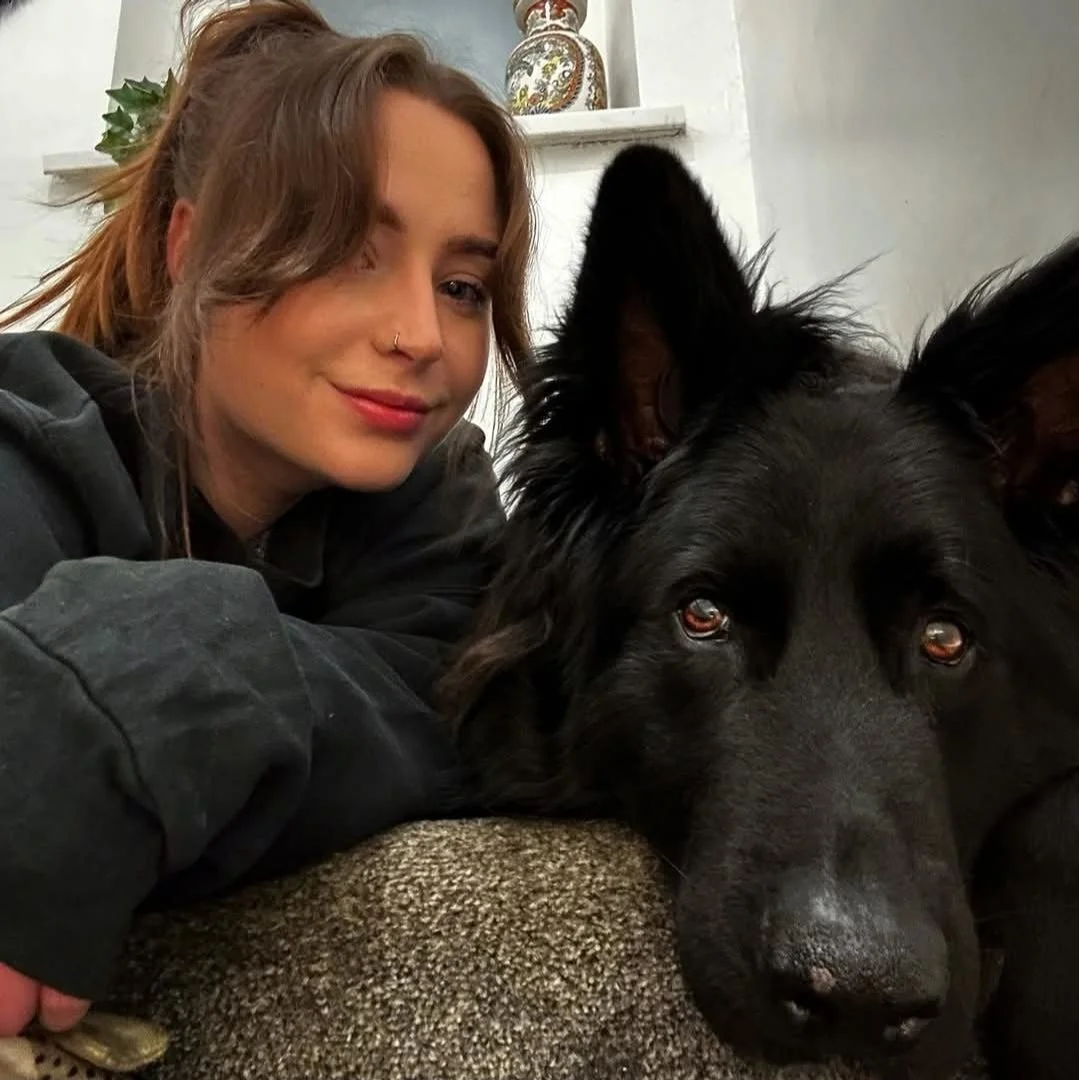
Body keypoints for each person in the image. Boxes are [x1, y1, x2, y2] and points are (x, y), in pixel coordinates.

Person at [0, 0, 532, 1038]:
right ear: (187, 246)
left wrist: (157, 685)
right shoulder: (28, 442)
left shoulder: (440, 508)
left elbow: (461, 705)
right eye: (347, 252)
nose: (421, 335)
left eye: (463, 285)